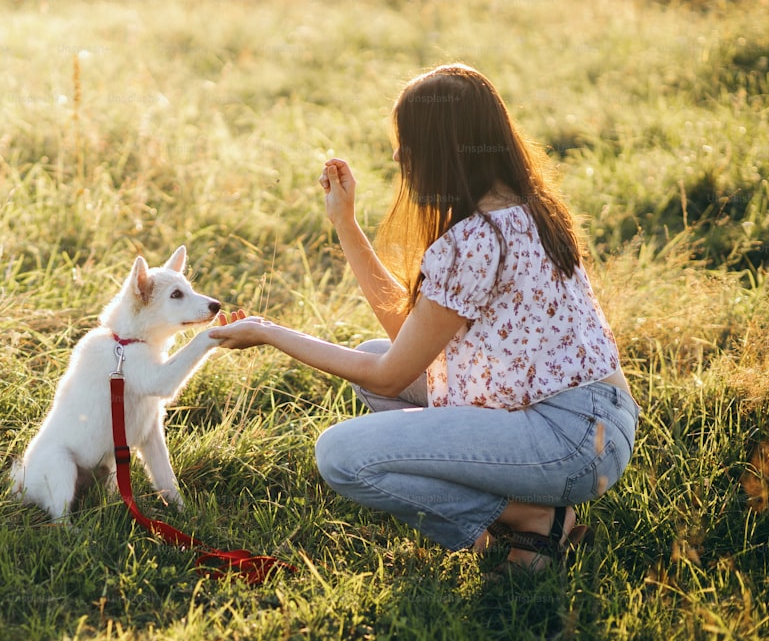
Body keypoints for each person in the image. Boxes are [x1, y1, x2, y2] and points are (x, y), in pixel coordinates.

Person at [209, 64, 639, 573]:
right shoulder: (526, 209)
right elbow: (406, 342)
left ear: (442, 147)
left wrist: (268, 331)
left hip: (568, 441)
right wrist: (345, 224)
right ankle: (535, 513)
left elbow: (392, 374)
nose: (397, 156)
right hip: (595, 424)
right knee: (371, 354)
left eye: (406, 143)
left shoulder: (478, 239)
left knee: (340, 455)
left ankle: (532, 518)